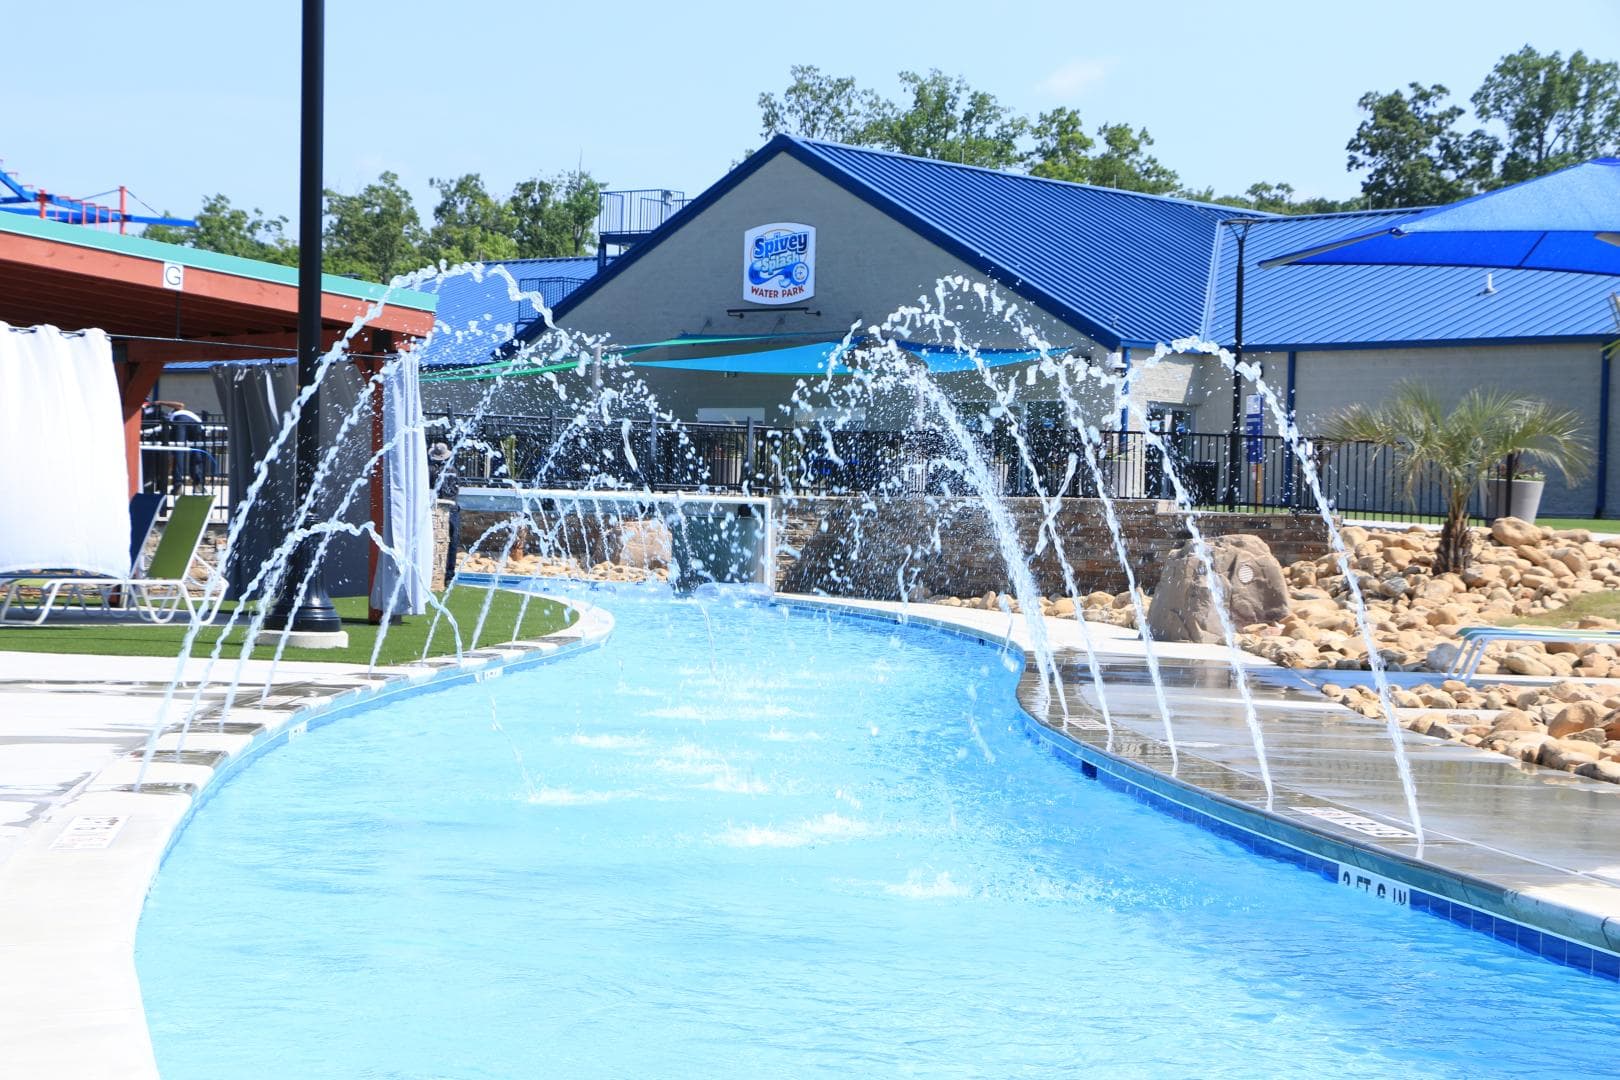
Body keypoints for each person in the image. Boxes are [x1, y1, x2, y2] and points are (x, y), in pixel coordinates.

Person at [428, 442, 460, 583]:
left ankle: (439, 573)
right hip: (451, 508)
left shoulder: (430, 470)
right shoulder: (452, 470)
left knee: (439, 541)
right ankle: (448, 575)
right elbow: (453, 491)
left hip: (440, 509)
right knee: (452, 541)